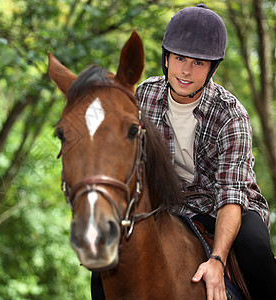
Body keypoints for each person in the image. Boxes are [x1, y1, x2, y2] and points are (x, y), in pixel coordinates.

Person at [91, 4, 276, 300]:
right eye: (179, 58)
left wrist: (216, 260)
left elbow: (231, 194)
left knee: (255, 248)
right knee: (105, 262)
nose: (186, 71)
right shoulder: (143, 97)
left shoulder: (232, 115)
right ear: (166, 58)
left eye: (199, 63)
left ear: (212, 67)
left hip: (221, 206)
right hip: (164, 206)